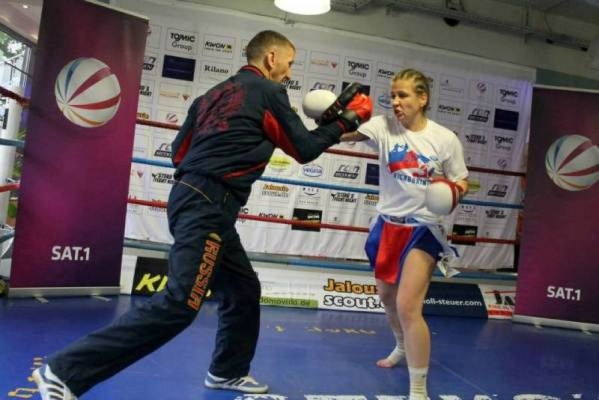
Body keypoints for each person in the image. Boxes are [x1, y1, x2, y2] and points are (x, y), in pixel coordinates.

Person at [33, 30, 372, 399]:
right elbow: (304, 149)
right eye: (289, 63)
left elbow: (178, 153)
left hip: (194, 199)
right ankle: (63, 371)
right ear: (271, 58)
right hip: (209, 206)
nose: (289, 73)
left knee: (243, 290)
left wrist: (325, 125)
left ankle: (227, 372)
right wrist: (346, 120)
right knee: (180, 304)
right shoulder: (269, 92)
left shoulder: (209, 96)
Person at [340, 68, 468, 400]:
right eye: (393, 95)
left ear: (422, 98)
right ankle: (400, 345)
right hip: (387, 225)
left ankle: (418, 389)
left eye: (403, 95)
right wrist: (336, 120)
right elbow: (345, 135)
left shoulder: (444, 139)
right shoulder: (383, 126)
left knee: (408, 305)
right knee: (386, 297)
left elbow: (461, 179)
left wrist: (453, 192)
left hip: (422, 228)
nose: (395, 101)